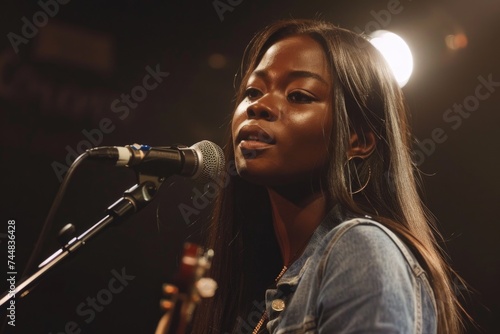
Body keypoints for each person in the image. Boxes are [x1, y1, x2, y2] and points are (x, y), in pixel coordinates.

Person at [190, 19, 466, 333]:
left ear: (357, 140)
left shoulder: (362, 250)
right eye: (253, 91)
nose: (260, 106)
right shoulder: (264, 281)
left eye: (298, 96)